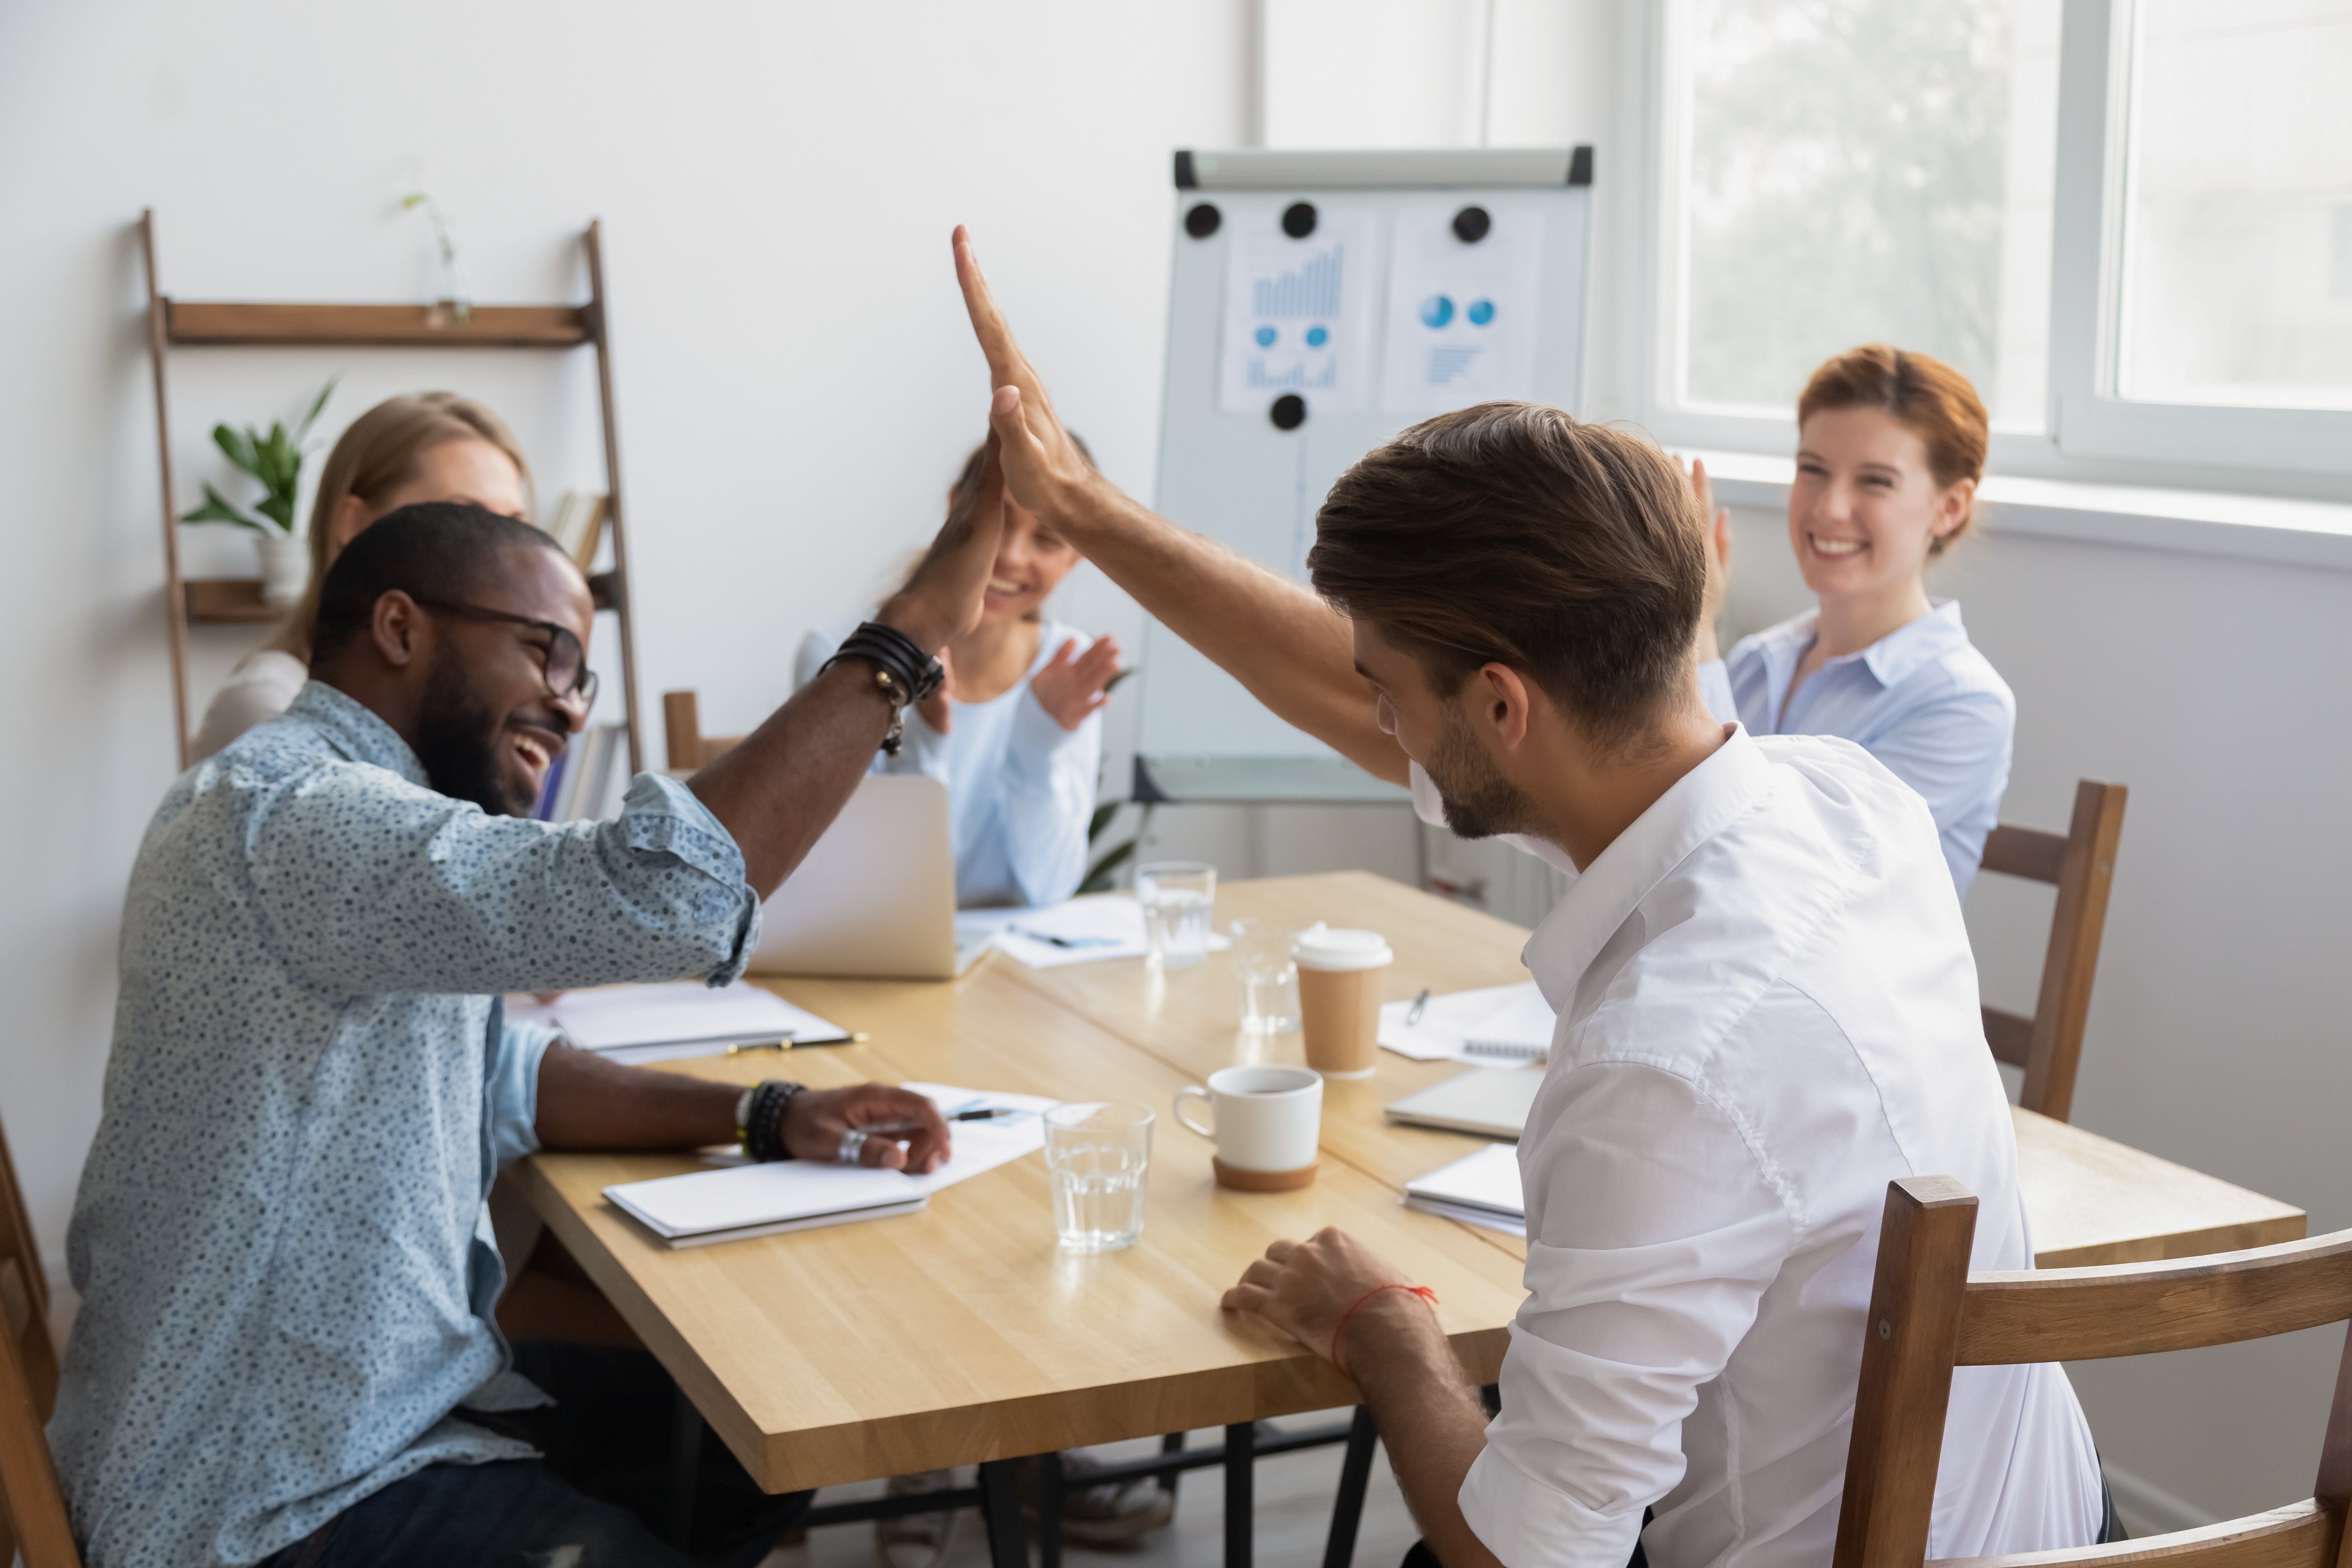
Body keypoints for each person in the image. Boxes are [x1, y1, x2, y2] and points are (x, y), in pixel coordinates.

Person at [947, 228, 2110, 1568]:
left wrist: (1388, 1328)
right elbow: (1352, 689)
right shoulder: (1848, 800)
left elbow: (1524, 1560)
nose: (1377, 716)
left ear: (1504, 707)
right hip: (2067, 1532)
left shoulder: (1664, 1063)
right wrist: (1087, 511)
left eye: (1391, 686)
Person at [50, 473, 1007, 1567]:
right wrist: (905, 635)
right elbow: (664, 895)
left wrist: (767, 1110)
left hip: (371, 1409)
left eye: (581, 675)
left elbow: (498, 1071)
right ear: (400, 627)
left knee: (753, 1438)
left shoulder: (353, 824)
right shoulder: (301, 812)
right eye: (547, 652)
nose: (571, 704)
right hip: (260, 1492)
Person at [1690, 345, 2015, 894]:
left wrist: (1696, 630)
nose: (1829, 508)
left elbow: (1766, 879)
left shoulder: (1964, 705)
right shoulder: (1755, 664)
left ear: (1950, 508)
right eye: (1812, 470)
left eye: (1875, 481)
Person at [793, 438, 1121, 910]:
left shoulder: (1069, 666)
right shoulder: (841, 654)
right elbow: (860, 886)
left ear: (1079, 553)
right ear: (956, 508)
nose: (1012, 555)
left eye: (1047, 539)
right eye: (999, 519)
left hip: (1006, 951)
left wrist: (1040, 741)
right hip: (884, 945)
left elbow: (1049, 887)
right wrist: (923, 744)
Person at [190, 392, 534, 762]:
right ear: (354, 523)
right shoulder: (271, 707)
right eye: (464, 518)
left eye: (513, 527)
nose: (500, 558)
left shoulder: (482, 711)